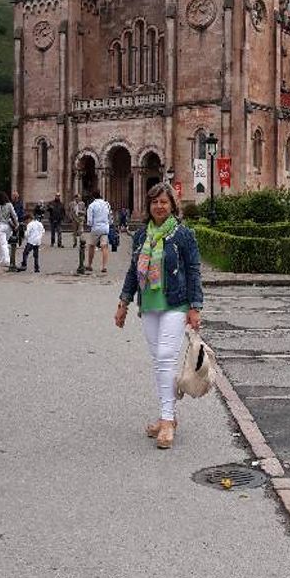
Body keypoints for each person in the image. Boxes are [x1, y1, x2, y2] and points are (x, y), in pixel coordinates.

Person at [114, 182, 203, 451]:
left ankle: (166, 421)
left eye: (164, 202)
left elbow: (194, 270)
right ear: (148, 205)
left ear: (173, 205)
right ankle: (169, 416)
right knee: (159, 361)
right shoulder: (142, 236)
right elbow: (132, 272)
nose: (159, 206)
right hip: (149, 303)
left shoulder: (183, 235)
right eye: (154, 202)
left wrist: (195, 306)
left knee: (165, 356)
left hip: (176, 303)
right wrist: (123, 303)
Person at [0, 192, 19, 267]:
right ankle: (0, 259)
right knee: (2, 243)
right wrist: (16, 225)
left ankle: (7, 260)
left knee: (3, 244)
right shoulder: (9, 205)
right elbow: (14, 216)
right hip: (8, 227)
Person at [85, 193, 111, 273]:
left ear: (93, 197)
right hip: (105, 228)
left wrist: (90, 225)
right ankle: (104, 266)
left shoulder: (92, 205)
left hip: (96, 228)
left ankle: (89, 265)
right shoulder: (107, 204)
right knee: (104, 246)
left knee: (92, 246)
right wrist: (108, 223)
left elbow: (89, 220)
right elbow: (110, 216)